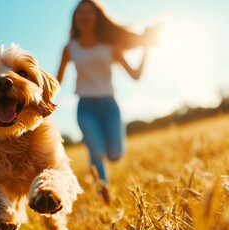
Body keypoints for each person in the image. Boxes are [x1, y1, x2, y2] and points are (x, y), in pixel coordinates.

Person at [56, 0, 158, 204]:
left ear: (98, 17)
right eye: (80, 12)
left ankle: (99, 169)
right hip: (85, 107)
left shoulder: (111, 45)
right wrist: (37, 101)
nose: (84, 15)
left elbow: (135, 75)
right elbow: (56, 82)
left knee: (115, 155)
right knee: (97, 152)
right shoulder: (70, 48)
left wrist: (146, 48)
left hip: (109, 106)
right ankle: (105, 197)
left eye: (89, 11)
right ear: (75, 18)